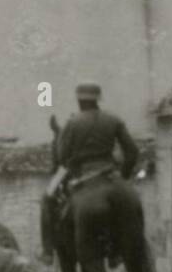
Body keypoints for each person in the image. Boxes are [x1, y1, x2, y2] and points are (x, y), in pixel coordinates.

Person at [43, 83, 139, 262]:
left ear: (79, 100)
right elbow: (132, 152)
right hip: (110, 172)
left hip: (83, 172)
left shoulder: (72, 122)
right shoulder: (113, 119)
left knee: (47, 197)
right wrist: (124, 177)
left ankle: (47, 251)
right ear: (98, 99)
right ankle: (117, 249)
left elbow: (62, 157)